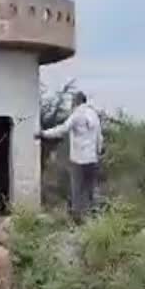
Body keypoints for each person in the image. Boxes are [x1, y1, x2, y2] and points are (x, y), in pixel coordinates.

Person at [36, 91, 103, 223]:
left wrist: (43, 134)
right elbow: (99, 137)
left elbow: (62, 129)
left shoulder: (77, 114)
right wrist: (98, 152)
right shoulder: (94, 115)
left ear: (76, 101)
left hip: (79, 159)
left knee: (77, 189)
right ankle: (93, 217)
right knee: (90, 188)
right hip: (92, 158)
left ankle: (78, 219)